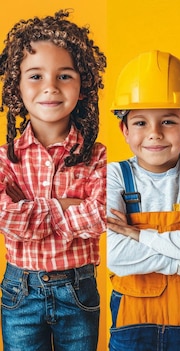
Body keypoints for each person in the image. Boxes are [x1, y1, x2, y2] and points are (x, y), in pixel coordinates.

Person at [0, 10, 106, 351]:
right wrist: (62, 208)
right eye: (35, 76)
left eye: (64, 75)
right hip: (20, 292)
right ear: (16, 87)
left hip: (79, 288)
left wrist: (30, 211)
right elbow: (5, 218)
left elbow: (101, 214)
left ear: (83, 85)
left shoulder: (97, 155)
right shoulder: (6, 157)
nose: (50, 87)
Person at [105, 50, 180, 351]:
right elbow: (117, 255)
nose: (154, 134)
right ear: (124, 130)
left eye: (167, 121)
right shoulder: (114, 176)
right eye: (140, 123)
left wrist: (139, 236)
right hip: (130, 327)